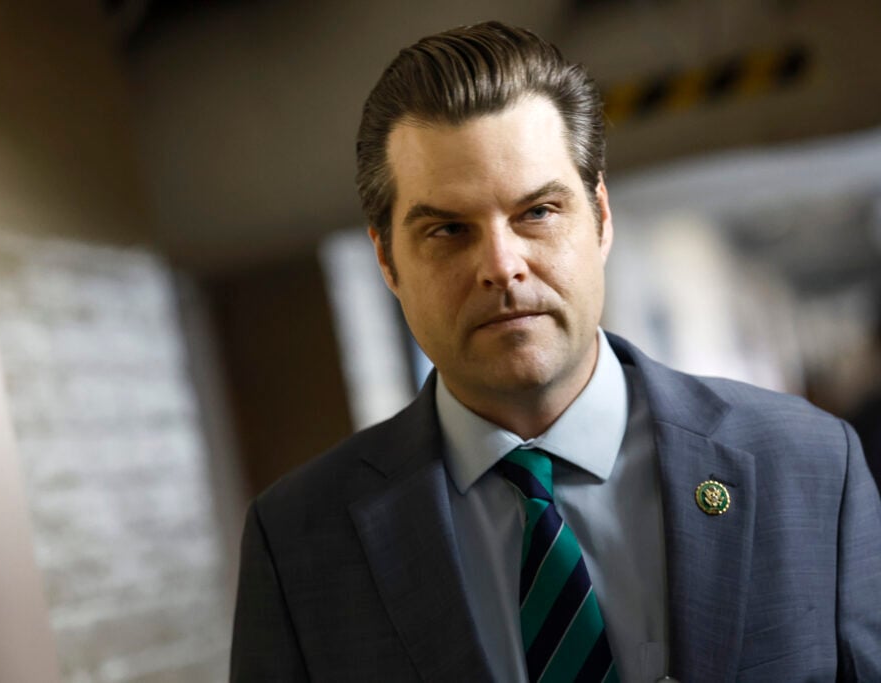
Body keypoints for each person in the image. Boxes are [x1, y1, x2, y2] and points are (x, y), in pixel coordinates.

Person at [230, 21, 881, 682]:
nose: (501, 265)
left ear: (599, 217)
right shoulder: (300, 545)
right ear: (387, 261)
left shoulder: (808, 465)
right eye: (448, 229)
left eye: (537, 211)